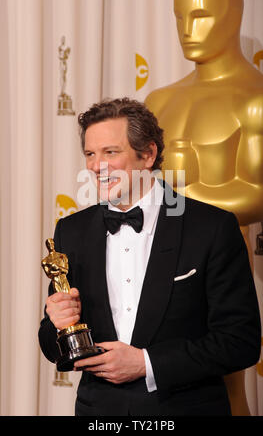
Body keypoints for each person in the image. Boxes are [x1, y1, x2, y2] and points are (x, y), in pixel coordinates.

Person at [39, 97, 261, 416]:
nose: (95, 165)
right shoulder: (70, 231)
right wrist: (57, 324)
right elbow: (53, 346)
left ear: (148, 154)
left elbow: (241, 342)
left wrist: (146, 364)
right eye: (90, 153)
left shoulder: (212, 227)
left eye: (110, 152)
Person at [144, 0, 263, 415]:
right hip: (153, 253)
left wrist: (185, 191)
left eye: (201, 15)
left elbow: (257, 193)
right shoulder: (159, 99)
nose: (187, 30)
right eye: (180, 17)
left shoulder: (255, 98)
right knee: (155, 378)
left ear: (234, 18)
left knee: (227, 389)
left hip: (221, 261)